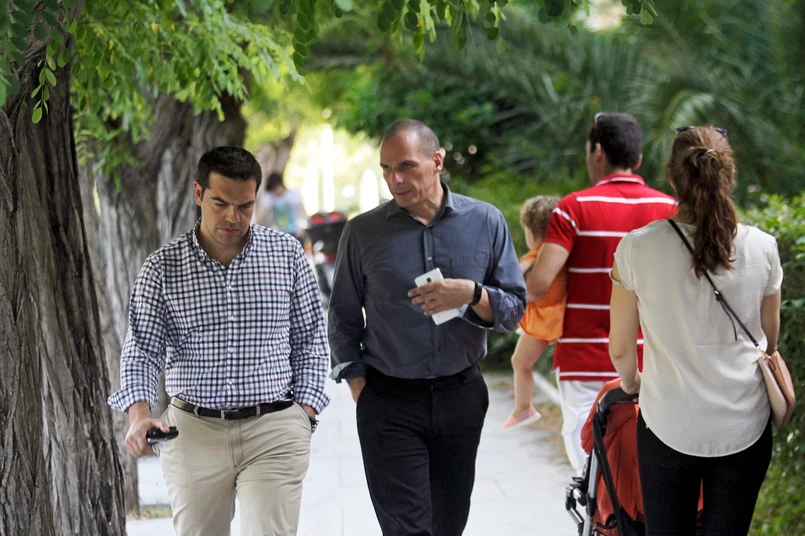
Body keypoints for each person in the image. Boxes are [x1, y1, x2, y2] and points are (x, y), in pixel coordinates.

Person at [107, 146, 329, 536]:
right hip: (193, 432)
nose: (232, 217)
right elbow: (142, 350)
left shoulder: (287, 255)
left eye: (245, 206)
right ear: (199, 193)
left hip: (273, 430)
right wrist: (139, 415)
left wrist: (304, 415)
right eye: (220, 203)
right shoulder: (162, 268)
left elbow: (311, 339)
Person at [328, 119, 527, 536]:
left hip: (461, 396)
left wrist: (472, 293)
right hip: (389, 401)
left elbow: (514, 311)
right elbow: (342, 317)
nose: (394, 180)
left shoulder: (485, 222)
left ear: (436, 161)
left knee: (448, 525)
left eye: (406, 166)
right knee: (407, 529)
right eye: (386, 169)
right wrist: (363, 391)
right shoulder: (363, 232)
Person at [609, 126, 782, 535]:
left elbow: (621, 348)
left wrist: (633, 384)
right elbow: (769, 340)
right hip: (744, 424)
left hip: (667, 422)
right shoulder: (763, 247)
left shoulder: (637, 248)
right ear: (729, 175)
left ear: (672, 179)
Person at [524, 112, 676, 473]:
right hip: (654, 362)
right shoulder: (670, 210)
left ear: (597, 152)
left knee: (592, 470)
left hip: (583, 362)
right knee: (644, 470)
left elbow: (539, 286)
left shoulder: (573, 209)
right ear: (638, 158)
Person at [502, 195, 567, 430]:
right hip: (563, 314)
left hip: (545, 319)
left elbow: (518, 274)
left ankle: (523, 407)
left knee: (520, 362)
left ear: (530, 231)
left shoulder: (538, 252)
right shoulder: (565, 251)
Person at [254, 171, 307, 242]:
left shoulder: (294, 195)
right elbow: (261, 214)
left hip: (294, 232)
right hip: (278, 233)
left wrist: (302, 226)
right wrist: (255, 228)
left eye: (275, 189)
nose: (275, 192)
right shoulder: (269, 197)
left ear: (280, 185)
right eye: (272, 190)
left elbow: (302, 213)